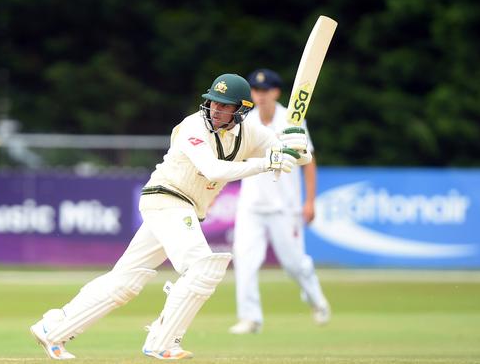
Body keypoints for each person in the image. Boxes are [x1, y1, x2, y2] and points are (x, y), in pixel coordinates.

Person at [30, 73, 312, 360]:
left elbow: (295, 156)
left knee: (124, 282)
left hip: (183, 208)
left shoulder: (250, 133)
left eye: (225, 105)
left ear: (240, 110)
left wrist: (296, 144)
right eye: (213, 102)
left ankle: (52, 329)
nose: (216, 109)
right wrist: (266, 163)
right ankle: (162, 341)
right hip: (166, 199)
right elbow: (214, 170)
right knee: (203, 267)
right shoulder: (193, 126)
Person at [229, 68, 330, 335]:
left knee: (294, 264)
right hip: (251, 205)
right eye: (255, 90)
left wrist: (310, 201)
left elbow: (309, 162)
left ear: (275, 92)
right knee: (245, 260)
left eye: (264, 91)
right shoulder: (246, 121)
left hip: (285, 207)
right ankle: (250, 318)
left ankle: (317, 301)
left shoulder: (291, 120)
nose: (259, 96)